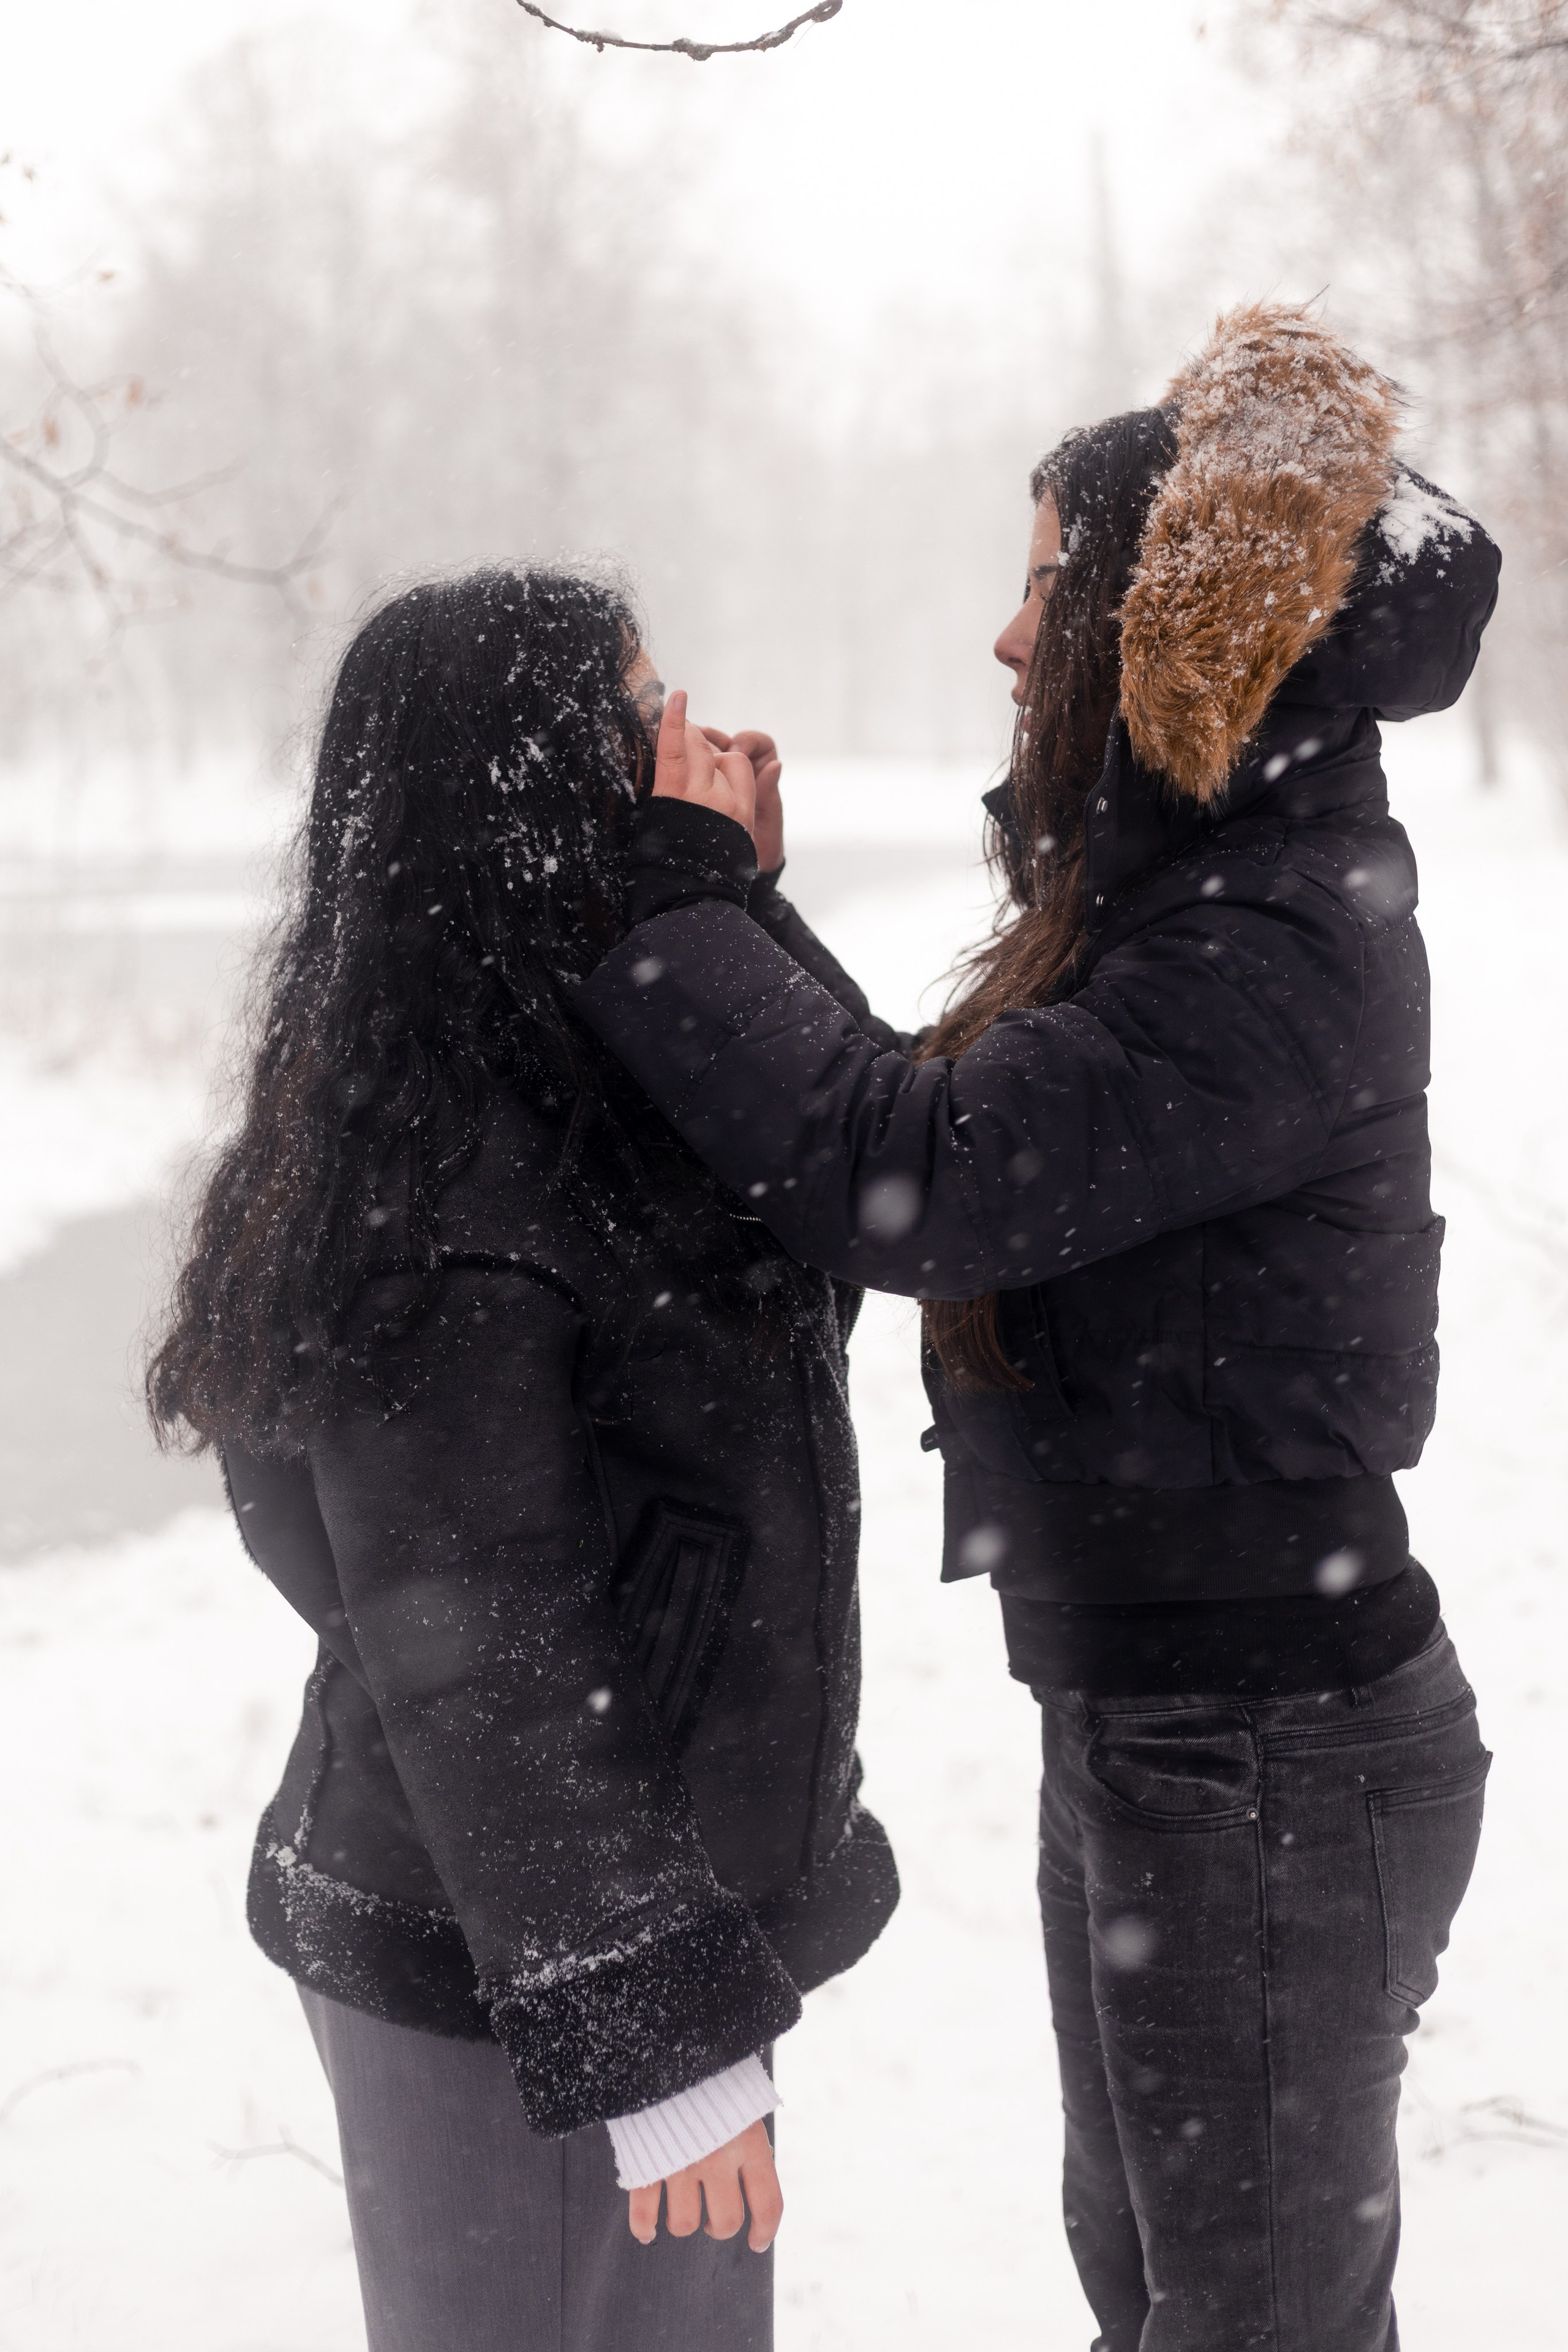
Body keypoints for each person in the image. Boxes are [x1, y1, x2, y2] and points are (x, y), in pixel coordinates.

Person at [574, 304, 1501, 2351]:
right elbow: (943, 1117)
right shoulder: (1196, 901)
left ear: (1161, 632)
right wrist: (736, 911)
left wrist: (675, 905)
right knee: (1165, 2295)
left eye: (1041, 586)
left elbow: (918, 1178)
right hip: (1184, 1723)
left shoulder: (1268, 938)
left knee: (1244, 2327)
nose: (1007, 642)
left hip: (1268, 1741)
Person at [146, 567, 898, 2352]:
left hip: (615, 1921)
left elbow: (847, 1201)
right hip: (519, 1960)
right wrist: (651, 2028)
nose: (690, 733)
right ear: (540, 776)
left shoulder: (572, 1054)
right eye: (649, 704)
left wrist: (736, 908)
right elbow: (475, 1642)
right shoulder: (447, 1170)